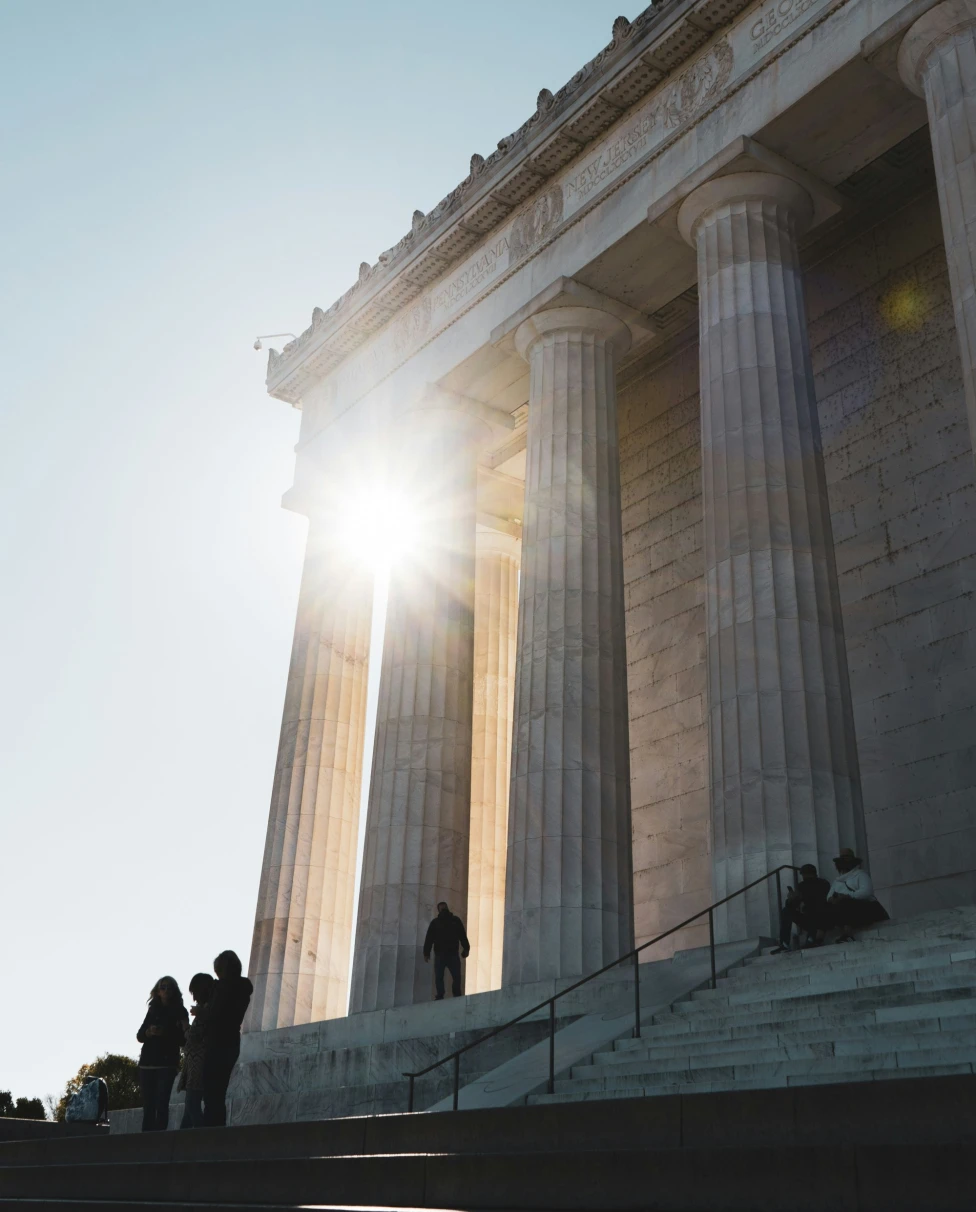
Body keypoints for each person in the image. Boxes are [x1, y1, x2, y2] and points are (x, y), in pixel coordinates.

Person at [201, 950, 252, 1127]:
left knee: (210, 1092)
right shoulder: (242, 989)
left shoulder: (223, 989)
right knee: (218, 1091)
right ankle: (216, 1130)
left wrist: (203, 1011)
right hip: (231, 1041)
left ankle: (210, 1130)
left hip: (218, 1041)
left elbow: (217, 1014)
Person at [803, 849, 889, 945]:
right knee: (824, 907)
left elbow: (867, 892)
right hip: (843, 908)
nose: (844, 861)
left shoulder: (860, 874)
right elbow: (829, 897)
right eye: (842, 858)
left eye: (846, 858)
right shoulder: (837, 881)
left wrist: (847, 896)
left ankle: (848, 935)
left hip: (866, 909)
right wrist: (833, 899)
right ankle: (818, 939)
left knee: (846, 903)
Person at [136, 975, 188, 1132]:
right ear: (157, 991)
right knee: (148, 1106)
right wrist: (149, 1032)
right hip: (147, 1063)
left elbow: (184, 1039)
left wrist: (165, 1033)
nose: (165, 990)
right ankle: (146, 1140)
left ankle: (159, 1140)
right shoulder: (153, 1010)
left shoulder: (180, 1011)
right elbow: (139, 1036)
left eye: (169, 987)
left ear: (174, 991)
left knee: (162, 1103)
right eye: (162, 987)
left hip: (167, 1063)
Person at [178, 972, 215, 1129]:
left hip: (197, 1067)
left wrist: (185, 1026)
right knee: (188, 1111)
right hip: (195, 1065)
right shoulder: (208, 1009)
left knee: (192, 1105)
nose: (194, 998)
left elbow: (193, 1037)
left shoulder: (205, 1011)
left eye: (194, 993)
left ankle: (203, 1140)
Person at [772, 864, 831, 952]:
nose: (804, 877)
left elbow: (821, 901)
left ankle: (811, 939)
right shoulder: (802, 886)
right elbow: (793, 906)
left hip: (823, 918)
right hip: (809, 919)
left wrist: (802, 896)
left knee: (814, 910)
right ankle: (784, 943)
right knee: (786, 911)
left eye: (805, 874)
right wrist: (790, 900)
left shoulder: (823, 883)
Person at [423, 902, 470, 1000]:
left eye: (444, 907)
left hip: (452, 954)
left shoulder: (455, 921)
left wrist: (466, 948)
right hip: (440, 954)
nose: (443, 909)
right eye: (442, 908)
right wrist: (426, 953)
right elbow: (429, 939)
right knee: (439, 977)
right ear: (439, 910)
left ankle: (456, 994)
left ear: (447, 908)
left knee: (456, 976)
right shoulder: (435, 923)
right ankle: (440, 995)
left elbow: (462, 935)